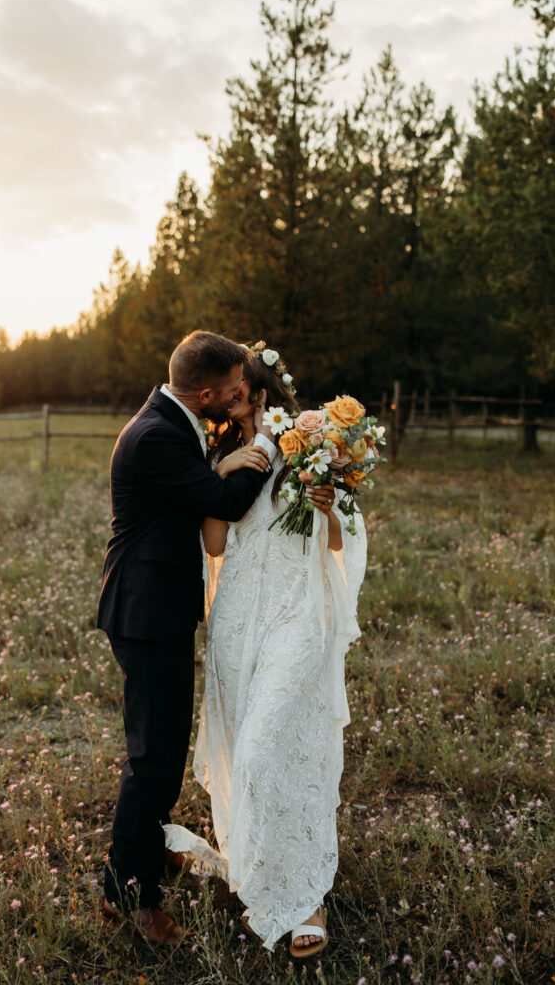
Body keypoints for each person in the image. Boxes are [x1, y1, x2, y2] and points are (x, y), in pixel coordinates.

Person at [164, 345, 367, 957]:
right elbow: (216, 545)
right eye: (224, 389)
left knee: (268, 744)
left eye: (236, 388)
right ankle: (260, 866)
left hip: (296, 614)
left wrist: (328, 506)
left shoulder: (309, 443)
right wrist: (219, 476)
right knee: (243, 748)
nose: (225, 396)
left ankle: (303, 895)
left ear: (259, 391)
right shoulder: (220, 450)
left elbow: (343, 534)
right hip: (237, 621)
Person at [96, 330, 277, 946]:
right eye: (230, 393)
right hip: (146, 615)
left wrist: (218, 461)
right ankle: (130, 896)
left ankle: (149, 845)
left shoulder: (169, 424)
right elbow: (224, 501)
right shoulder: (156, 437)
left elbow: (196, 487)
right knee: (153, 759)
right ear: (204, 392)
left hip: (157, 608)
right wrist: (265, 451)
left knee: (164, 746)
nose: (236, 401)